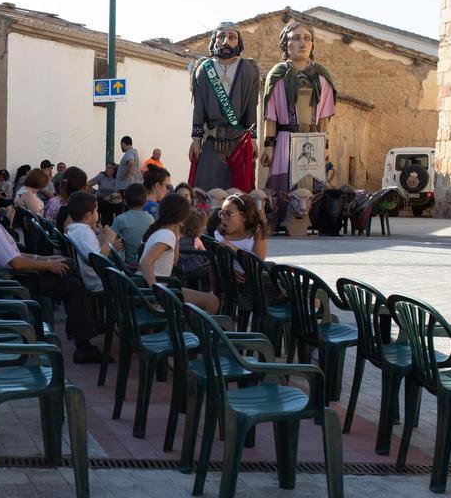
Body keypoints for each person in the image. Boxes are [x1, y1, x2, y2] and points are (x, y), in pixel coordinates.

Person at [0, 176, 104, 364]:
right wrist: (49, 265)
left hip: (0, 278)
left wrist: (46, 258)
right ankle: (86, 333)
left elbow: (12, 254)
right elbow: (16, 263)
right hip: (7, 284)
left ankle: (84, 335)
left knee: (72, 278)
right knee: (73, 278)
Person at [261, 20, 337, 225]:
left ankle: (312, 221)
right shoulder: (277, 75)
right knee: (283, 185)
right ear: (286, 44)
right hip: (285, 139)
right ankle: (279, 220)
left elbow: (324, 118)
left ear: (312, 44)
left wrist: (326, 145)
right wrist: (269, 146)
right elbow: (271, 114)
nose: (302, 43)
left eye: (307, 38)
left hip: (314, 140)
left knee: (312, 182)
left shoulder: (321, 76)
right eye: (296, 38)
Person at [189, 22, 261, 192]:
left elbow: (251, 107)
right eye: (221, 36)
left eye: (232, 37)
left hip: (238, 142)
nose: (226, 41)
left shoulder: (248, 70)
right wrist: (196, 139)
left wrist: (253, 139)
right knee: (206, 190)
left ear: (239, 42)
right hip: (212, 140)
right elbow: (198, 108)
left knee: (238, 193)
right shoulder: (203, 69)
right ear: (214, 40)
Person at [138, 194, 220, 313]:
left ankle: (188, 328)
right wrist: (156, 295)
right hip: (159, 289)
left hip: (162, 286)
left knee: (210, 301)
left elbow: (175, 261)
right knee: (212, 301)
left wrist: (176, 231)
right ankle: (193, 331)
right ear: (183, 217)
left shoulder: (164, 232)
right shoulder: (166, 235)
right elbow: (145, 262)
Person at [65, 192, 122, 293]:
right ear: (88, 215)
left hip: (92, 277)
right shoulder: (83, 233)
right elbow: (98, 260)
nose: (97, 212)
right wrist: (110, 239)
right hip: (98, 282)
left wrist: (101, 239)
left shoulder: (75, 229)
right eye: (96, 210)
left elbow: (91, 251)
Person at [111, 183, 154, 268]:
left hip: (126, 264)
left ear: (125, 202)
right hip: (145, 263)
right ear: (146, 202)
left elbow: (111, 238)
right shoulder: (151, 219)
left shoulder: (120, 219)